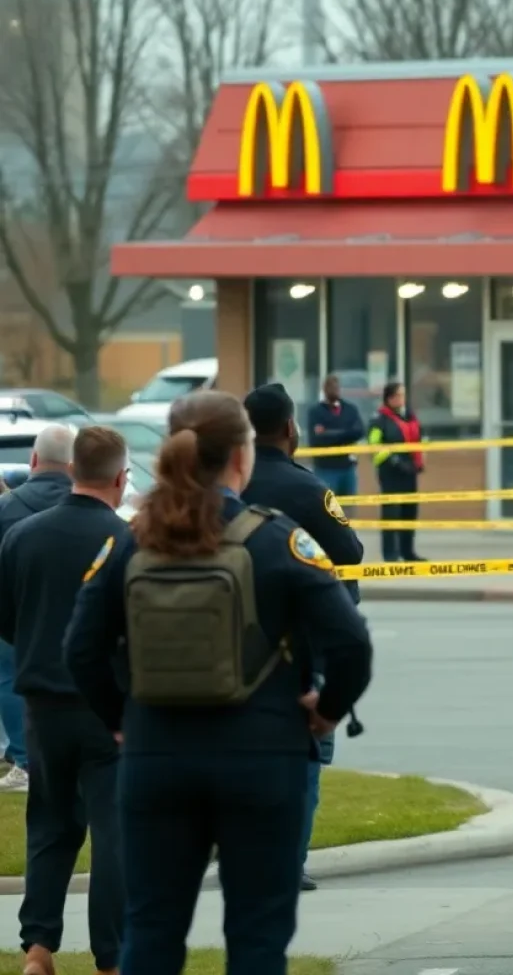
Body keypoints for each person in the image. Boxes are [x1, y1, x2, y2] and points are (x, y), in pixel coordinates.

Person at [64, 390, 373, 975]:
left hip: (156, 756)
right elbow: (350, 642)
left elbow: (80, 648)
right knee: (256, 938)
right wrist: (327, 709)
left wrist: (120, 718)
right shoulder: (277, 539)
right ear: (240, 456)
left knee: (151, 932)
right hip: (263, 756)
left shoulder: (131, 540)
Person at [0, 426, 128, 975]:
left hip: (42, 707)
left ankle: (38, 947)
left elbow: (6, 617)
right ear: (122, 479)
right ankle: (111, 958)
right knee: (114, 836)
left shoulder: (21, 537)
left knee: (50, 826)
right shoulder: (128, 543)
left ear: (71, 469)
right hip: (110, 712)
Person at [241, 381, 366, 892]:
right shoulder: (308, 489)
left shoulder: (225, 489)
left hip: (233, 644)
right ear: (291, 428)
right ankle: (286, 864)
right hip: (304, 644)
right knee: (306, 758)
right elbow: (351, 552)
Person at [0, 425, 75, 794]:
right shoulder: (92, 503)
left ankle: (24, 759)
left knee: (8, 677)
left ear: (33, 459)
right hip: (78, 617)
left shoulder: (6, 509)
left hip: (18, 614)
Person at [368, 382, 425, 563]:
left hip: (410, 471)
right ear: (390, 398)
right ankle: (390, 554)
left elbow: (417, 439)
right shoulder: (379, 419)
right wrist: (394, 460)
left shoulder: (409, 416)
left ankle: (408, 552)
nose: (402, 399)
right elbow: (375, 445)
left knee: (409, 512)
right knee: (391, 513)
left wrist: (417, 462)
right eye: (398, 395)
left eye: (403, 395)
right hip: (390, 472)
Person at [307, 374, 365, 499]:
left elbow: (360, 432)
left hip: (348, 467)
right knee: (327, 509)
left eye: (336, 387)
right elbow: (316, 440)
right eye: (330, 387)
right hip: (325, 468)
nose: (334, 390)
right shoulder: (316, 412)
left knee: (348, 510)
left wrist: (329, 432)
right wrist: (346, 433)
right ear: (324, 390)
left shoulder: (350, 409)